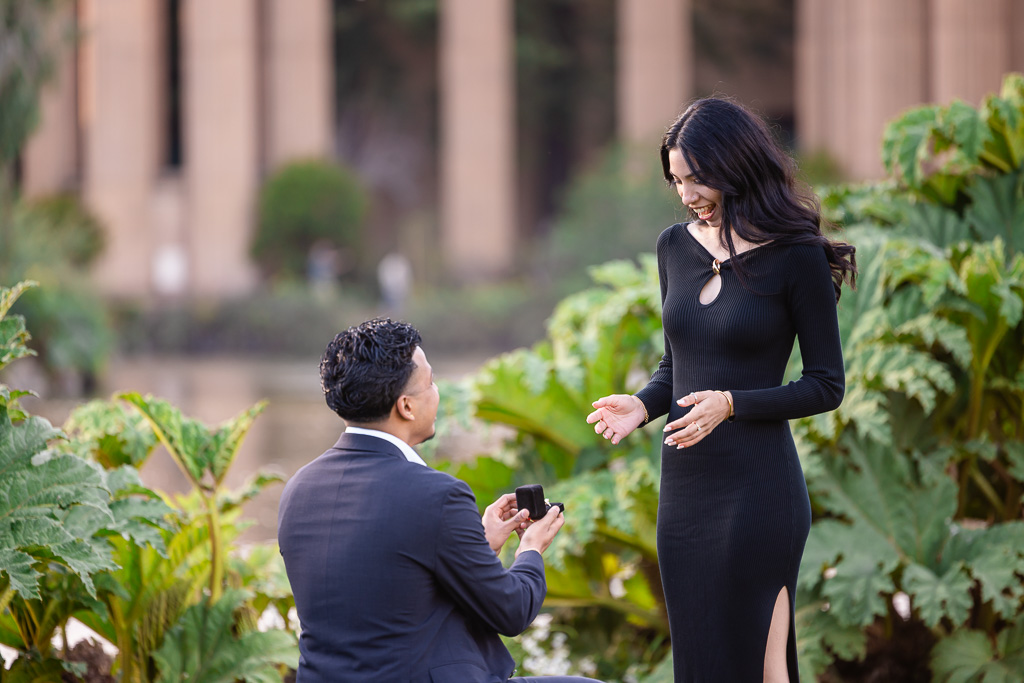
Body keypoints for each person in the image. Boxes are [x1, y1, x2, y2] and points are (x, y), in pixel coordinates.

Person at [586, 98, 856, 683]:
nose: (685, 194)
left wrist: (732, 405)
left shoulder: (797, 257)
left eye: (696, 178)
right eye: (676, 180)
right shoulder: (673, 248)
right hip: (685, 499)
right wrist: (642, 405)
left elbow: (825, 385)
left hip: (760, 497)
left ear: (735, 167)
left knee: (764, 669)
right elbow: (677, 361)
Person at [278, 318, 603, 683]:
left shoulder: (298, 490)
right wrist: (531, 548)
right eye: (430, 382)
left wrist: (481, 545)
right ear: (406, 407)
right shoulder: (437, 495)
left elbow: (390, 593)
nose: (437, 391)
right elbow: (511, 611)